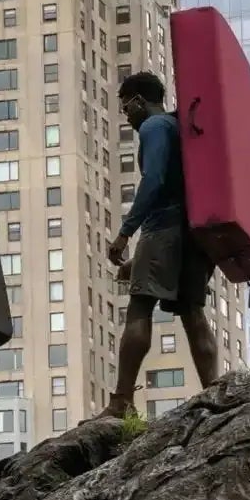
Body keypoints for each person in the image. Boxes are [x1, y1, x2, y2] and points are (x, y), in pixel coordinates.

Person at [98, 70, 221, 420]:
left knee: (139, 308)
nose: (126, 115)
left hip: (162, 229)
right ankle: (215, 393)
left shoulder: (153, 127)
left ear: (138, 100)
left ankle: (121, 401)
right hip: (193, 235)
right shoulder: (180, 127)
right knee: (193, 313)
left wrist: (125, 233)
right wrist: (139, 259)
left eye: (126, 107)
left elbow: (153, 181)